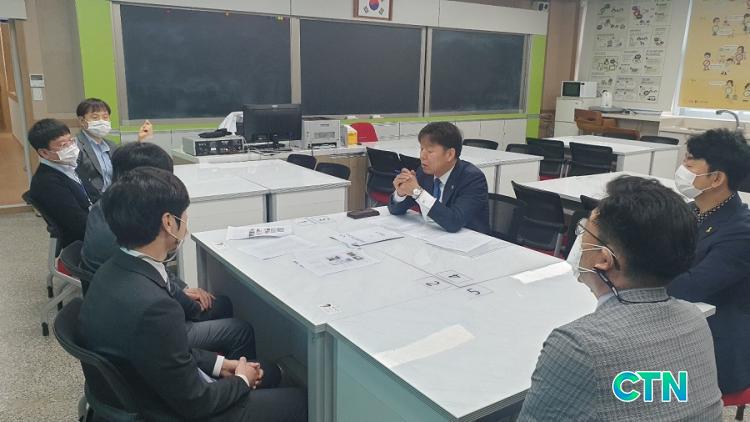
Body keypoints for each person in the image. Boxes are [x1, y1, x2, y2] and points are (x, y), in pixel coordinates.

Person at [79, 167, 307, 421]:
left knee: (269, 372)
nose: (186, 222)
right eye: (184, 215)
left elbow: (168, 351)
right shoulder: (154, 307)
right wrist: (242, 380)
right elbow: (198, 402)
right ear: (168, 222)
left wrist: (221, 365)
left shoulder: (111, 269)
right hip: (171, 410)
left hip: (148, 386)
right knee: (299, 401)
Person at [518, 176, 722, 421]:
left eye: (585, 231)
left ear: (604, 259)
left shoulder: (578, 344)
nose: (580, 240)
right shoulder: (694, 318)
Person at [80, 142, 251, 355]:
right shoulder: (124, 230)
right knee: (238, 328)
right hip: (140, 324)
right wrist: (185, 298)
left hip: (123, 309)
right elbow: (154, 286)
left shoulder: (110, 208)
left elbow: (152, 269)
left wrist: (181, 288)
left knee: (218, 304)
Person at [667, 128, 750, 396]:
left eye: (690, 163)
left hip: (715, 344)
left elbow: (689, 287)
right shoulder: (691, 210)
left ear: (716, 178)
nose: (682, 168)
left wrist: (637, 273)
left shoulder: (742, 232)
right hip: (677, 319)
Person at [388, 122, 490, 234]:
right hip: (432, 235)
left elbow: (454, 222)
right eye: (422, 149)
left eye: (430, 151)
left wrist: (417, 192)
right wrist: (401, 193)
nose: (422, 156)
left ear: (450, 154)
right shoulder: (424, 172)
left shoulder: (472, 178)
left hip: (468, 240)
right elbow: (396, 210)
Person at [27, 119, 96, 248]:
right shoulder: (47, 183)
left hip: (94, 223)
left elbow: (94, 195)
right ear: (44, 152)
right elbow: (78, 223)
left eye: (71, 141)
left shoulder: (69, 164)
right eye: (63, 145)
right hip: (83, 240)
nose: (71, 147)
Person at [75, 97, 153, 195]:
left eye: (105, 117)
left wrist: (141, 141)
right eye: (95, 117)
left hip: (115, 196)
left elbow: (126, 165)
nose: (101, 121)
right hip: (93, 199)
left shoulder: (111, 145)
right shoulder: (75, 146)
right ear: (82, 121)